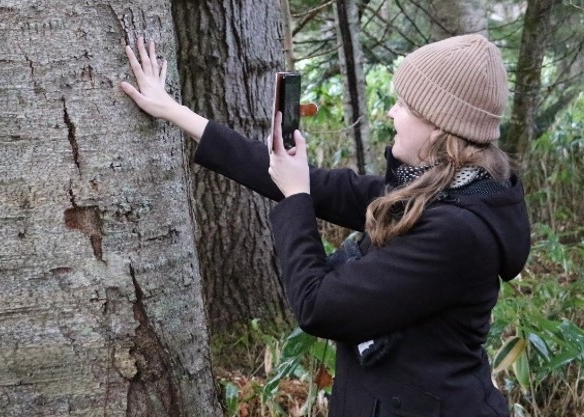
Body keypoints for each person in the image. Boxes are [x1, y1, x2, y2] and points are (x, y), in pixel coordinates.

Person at [120, 34, 531, 417]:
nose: (391, 112)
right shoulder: (437, 192)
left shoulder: (457, 231)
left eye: (403, 105)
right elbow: (316, 183)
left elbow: (320, 307)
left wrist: (295, 199)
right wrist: (174, 111)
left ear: (439, 126)